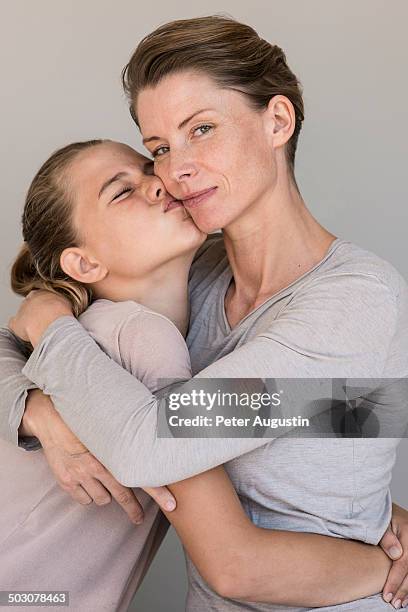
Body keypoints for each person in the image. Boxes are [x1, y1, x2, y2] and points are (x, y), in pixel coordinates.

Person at [3, 14, 408, 611]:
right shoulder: (194, 273)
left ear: (277, 120)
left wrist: (370, 526)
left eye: (203, 129)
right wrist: (36, 405)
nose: (173, 171)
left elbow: (152, 444)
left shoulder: (354, 299)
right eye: (159, 148)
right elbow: (350, 416)